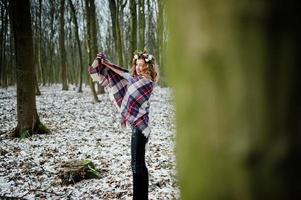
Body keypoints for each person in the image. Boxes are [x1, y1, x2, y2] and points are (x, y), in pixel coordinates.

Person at [88, 50, 159, 200]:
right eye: (137, 64)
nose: (139, 68)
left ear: (148, 67)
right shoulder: (135, 79)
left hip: (140, 128)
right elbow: (122, 73)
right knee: (139, 164)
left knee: (136, 165)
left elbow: (130, 85)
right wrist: (107, 64)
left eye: (142, 65)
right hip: (138, 127)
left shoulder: (147, 82)